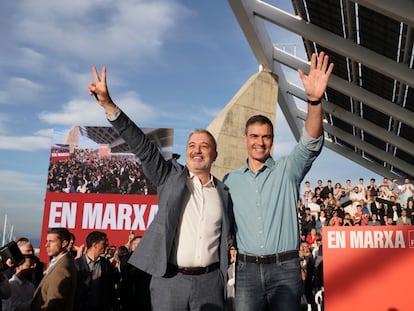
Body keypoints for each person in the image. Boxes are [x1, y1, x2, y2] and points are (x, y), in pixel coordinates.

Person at [88, 66, 234, 311]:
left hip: (210, 284)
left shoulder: (224, 193)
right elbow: (143, 146)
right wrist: (109, 106)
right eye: (192, 145)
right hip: (170, 282)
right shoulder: (169, 176)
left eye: (204, 146)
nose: (197, 150)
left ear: (215, 154)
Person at [223, 51, 334, 310]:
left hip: (285, 268)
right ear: (245, 139)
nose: (259, 142)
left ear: (272, 140)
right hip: (246, 270)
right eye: (254, 136)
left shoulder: (288, 170)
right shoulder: (230, 180)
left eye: (266, 137)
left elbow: (311, 141)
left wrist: (314, 101)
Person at [31, 227, 77, 311]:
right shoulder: (60, 262)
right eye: (47, 241)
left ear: (64, 243)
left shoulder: (62, 269)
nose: (46, 245)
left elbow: (54, 304)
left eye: (51, 241)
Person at [74, 231, 117, 311]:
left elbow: (110, 288)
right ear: (95, 245)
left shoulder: (106, 264)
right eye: (104, 244)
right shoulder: (76, 265)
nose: (107, 246)